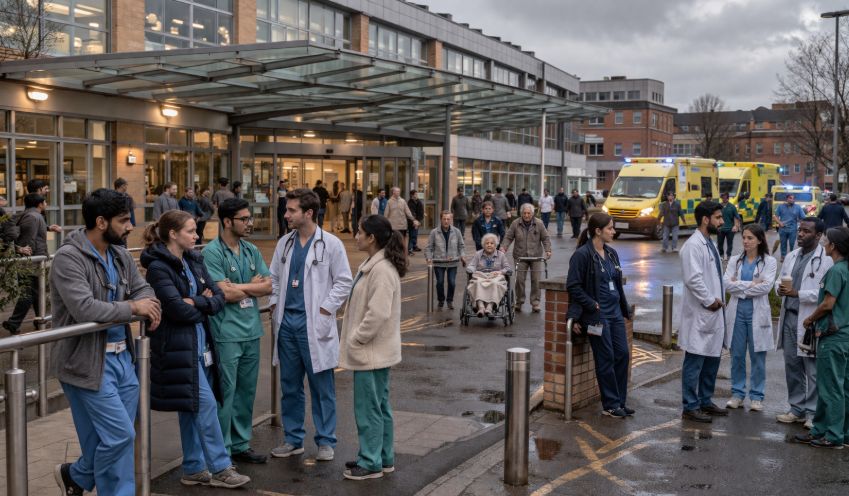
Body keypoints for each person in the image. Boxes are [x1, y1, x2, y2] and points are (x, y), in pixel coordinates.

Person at [50, 188, 162, 496]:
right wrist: (133, 308)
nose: (130, 227)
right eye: (124, 220)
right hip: (85, 363)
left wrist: (144, 302)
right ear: (101, 222)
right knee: (119, 436)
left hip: (123, 360)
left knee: (111, 441)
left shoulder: (120, 254)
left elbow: (144, 290)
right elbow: (84, 308)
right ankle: (77, 475)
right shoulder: (68, 258)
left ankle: (78, 476)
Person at [141, 211, 251, 488]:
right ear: (173, 234)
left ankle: (193, 467)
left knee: (191, 407)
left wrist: (196, 303)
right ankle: (221, 466)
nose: (197, 235)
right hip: (177, 348)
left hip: (200, 344)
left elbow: (220, 297)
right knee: (205, 404)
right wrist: (200, 303)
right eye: (191, 231)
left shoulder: (193, 258)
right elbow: (175, 309)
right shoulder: (158, 267)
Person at [269, 188, 353, 461]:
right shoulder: (285, 243)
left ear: (308, 213)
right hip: (287, 324)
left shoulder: (330, 244)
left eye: (291, 210)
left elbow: (344, 281)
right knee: (290, 386)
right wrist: (273, 303)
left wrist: (325, 308)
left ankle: (326, 440)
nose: (286, 214)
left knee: (322, 387)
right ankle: (293, 439)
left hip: (314, 324)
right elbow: (274, 279)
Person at [203, 198, 273, 464]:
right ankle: (222, 450)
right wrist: (247, 285)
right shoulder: (212, 252)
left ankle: (241, 444)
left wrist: (239, 287)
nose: (249, 223)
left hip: (251, 331)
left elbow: (268, 286)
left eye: (249, 218)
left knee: (246, 391)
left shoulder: (251, 249)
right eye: (244, 219)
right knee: (226, 394)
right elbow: (223, 292)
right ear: (227, 221)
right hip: (226, 333)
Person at [339, 215, 407, 480]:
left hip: (370, 353)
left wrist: (357, 339)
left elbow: (377, 314)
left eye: (359, 232)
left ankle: (370, 462)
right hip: (377, 352)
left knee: (368, 409)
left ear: (372, 239)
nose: (355, 236)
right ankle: (382, 456)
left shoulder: (380, 270)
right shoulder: (376, 264)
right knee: (379, 406)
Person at [567, 213, 632, 418]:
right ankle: (611, 405)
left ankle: (620, 401)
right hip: (597, 316)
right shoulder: (582, 255)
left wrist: (624, 307)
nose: (614, 231)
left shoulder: (611, 253)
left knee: (622, 354)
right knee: (606, 358)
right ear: (598, 231)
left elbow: (617, 282)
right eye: (610, 228)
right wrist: (590, 305)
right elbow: (573, 286)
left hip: (614, 313)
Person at [795, 226, 849, 448]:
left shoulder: (836, 271)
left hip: (833, 338)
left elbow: (828, 303)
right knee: (843, 388)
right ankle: (827, 431)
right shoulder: (846, 268)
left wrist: (810, 318)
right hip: (845, 337)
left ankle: (833, 436)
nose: (824, 244)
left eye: (826, 241)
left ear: (834, 246)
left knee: (830, 389)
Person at [775, 217, 831, 429]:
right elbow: (779, 281)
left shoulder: (825, 260)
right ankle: (796, 409)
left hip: (809, 320)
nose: (800, 234)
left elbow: (825, 293)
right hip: (789, 317)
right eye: (800, 230)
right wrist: (779, 289)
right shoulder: (791, 256)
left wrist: (799, 293)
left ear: (818, 236)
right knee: (792, 365)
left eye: (806, 231)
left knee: (812, 369)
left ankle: (812, 412)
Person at [679, 201, 728, 423]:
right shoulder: (693, 246)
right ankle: (690, 406)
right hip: (702, 312)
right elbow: (693, 279)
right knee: (695, 360)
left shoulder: (709, 243)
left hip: (714, 313)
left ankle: (705, 401)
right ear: (706, 219)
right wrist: (709, 301)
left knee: (711, 360)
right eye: (718, 217)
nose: (722, 222)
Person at [722, 224, 777, 412]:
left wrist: (740, 285)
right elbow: (727, 284)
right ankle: (737, 394)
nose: (745, 241)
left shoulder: (769, 262)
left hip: (757, 314)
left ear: (760, 240)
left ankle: (756, 396)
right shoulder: (735, 260)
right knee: (736, 356)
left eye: (750, 238)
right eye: (744, 237)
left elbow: (766, 287)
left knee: (757, 357)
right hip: (737, 313)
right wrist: (752, 284)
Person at [2, 194, 48, 335]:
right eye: (44, 201)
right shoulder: (32, 217)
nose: (46, 204)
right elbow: (29, 241)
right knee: (29, 292)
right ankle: (14, 323)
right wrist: (29, 258)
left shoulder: (33, 216)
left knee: (35, 291)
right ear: (40, 204)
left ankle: (40, 319)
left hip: (34, 260)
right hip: (31, 261)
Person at [502, 203, 551, 313]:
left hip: (536, 256)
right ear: (521, 213)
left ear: (532, 214)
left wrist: (548, 250)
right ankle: (519, 302)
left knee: (536, 280)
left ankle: (535, 303)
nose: (526, 215)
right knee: (519, 280)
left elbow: (546, 238)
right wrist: (503, 248)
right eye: (524, 213)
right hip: (520, 256)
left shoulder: (539, 223)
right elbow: (508, 237)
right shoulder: (515, 223)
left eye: (529, 213)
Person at [466, 233, 513, 317]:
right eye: (487, 243)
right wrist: (471, 269)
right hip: (481, 275)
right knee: (477, 283)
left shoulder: (501, 255)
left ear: (495, 245)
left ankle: (490, 307)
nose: (489, 245)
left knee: (495, 283)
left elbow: (508, 268)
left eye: (491, 243)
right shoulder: (478, 254)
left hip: (495, 276)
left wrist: (501, 272)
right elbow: (472, 265)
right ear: (483, 245)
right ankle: (481, 307)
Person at [425, 211, 465, 310]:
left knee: (452, 282)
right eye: (444, 219)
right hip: (439, 262)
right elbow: (428, 248)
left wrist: (462, 256)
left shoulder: (456, 231)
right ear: (441, 219)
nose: (446, 221)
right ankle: (441, 300)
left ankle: (450, 300)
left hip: (453, 262)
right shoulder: (434, 232)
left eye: (448, 219)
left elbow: (461, 246)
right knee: (440, 282)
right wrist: (429, 258)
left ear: (451, 220)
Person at [774, 193, 805, 262]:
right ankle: (783, 256)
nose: (792, 200)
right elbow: (775, 216)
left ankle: (792, 256)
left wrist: (801, 226)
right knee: (783, 243)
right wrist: (780, 223)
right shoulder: (780, 207)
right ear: (787, 199)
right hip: (783, 229)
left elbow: (802, 218)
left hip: (793, 229)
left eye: (793, 198)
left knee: (792, 243)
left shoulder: (798, 207)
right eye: (790, 198)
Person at [717, 192, 741, 261]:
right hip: (720, 229)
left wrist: (736, 226)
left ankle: (728, 256)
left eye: (725, 197)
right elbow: (715, 217)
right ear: (721, 198)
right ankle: (721, 255)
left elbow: (737, 216)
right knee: (720, 244)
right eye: (723, 197)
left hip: (730, 229)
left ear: (728, 198)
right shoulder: (719, 206)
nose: (724, 199)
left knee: (729, 244)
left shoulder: (732, 206)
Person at [408, 189, 424, 254]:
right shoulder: (410, 203)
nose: (417, 195)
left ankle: (414, 246)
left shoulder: (417, 201)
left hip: (417, 220)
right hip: (413, 222)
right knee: (412, 235)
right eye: (415, 194)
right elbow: (412, 213)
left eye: (417, 194)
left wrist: (420, 219)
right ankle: (410, 249)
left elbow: (420, 210)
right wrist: (415, 222)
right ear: (412, 195)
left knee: (415, 234)